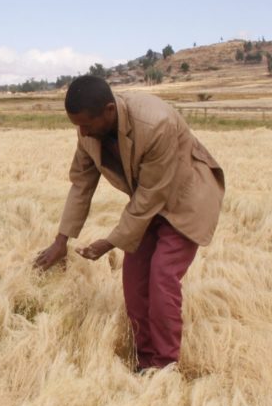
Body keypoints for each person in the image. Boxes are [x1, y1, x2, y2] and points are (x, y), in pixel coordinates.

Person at [34, 75, 225, 372]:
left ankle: (164, 366)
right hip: (148, 201)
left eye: (86, 124)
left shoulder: (155, 124)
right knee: (134, 278)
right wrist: (61, 241)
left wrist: (110, 242)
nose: (82, 132)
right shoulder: (88, 132)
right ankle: (144, 358)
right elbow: (81, 184)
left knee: (162, 275)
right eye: (77, 126)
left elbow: (151, 195)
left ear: (110, 111)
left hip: (187, 198)